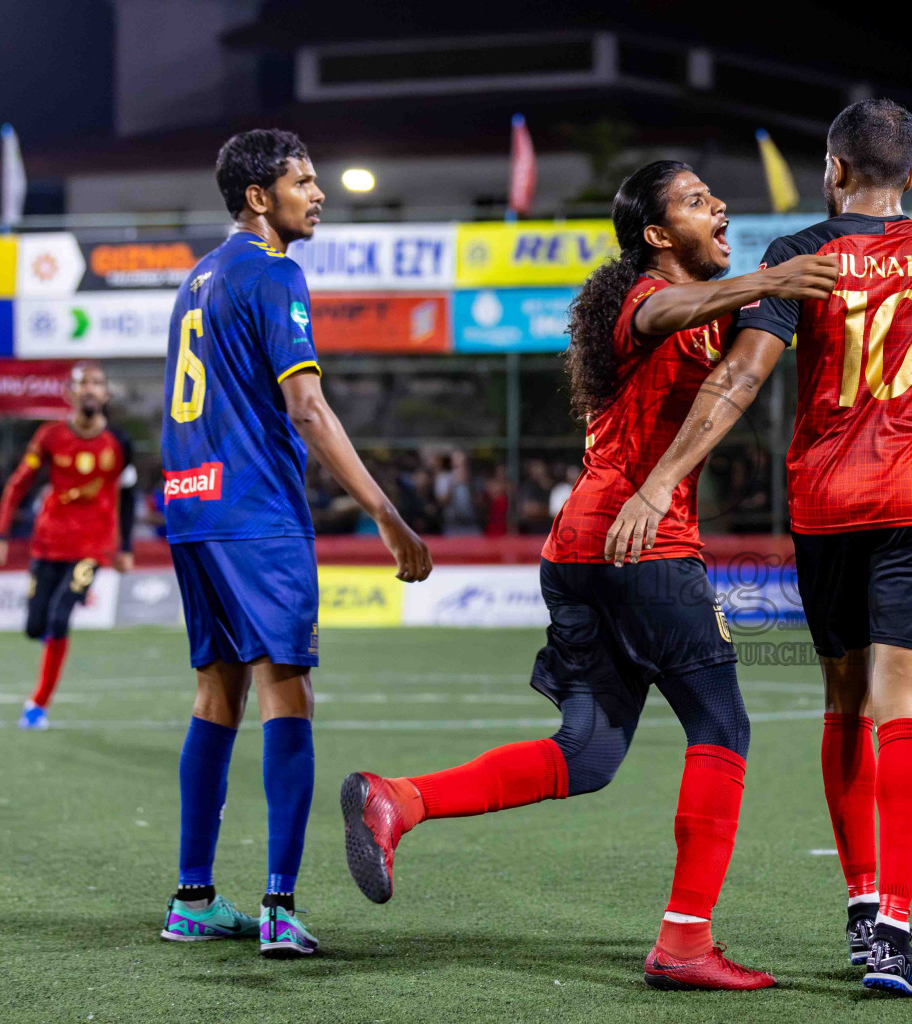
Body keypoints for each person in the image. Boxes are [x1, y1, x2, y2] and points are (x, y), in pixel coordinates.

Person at [339, 159, 841, 992]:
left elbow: (845, 259)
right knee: (723, 727)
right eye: (694, 201)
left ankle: (400, 799)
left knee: (588, 755)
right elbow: (682, 306)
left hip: (580, 551)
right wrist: (772, 275)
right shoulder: (647, 302)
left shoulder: (709, 303)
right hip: (638, 542)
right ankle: (684, 943)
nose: (718, 205)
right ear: (655, 237)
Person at [605, 99, 912, 997]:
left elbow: (739, 377)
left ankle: (858, 901)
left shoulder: (795, 256)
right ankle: (894, 936)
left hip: (827, 506)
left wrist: (661, 478)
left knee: (843, 704)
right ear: (910, 176)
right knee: (904, 709)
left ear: (833, 170)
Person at [158, 128, 431, 958]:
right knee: (289, 692)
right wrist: (386, 511)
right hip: (256, 514)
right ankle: (279, 908)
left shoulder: (198, 279)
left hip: (190, 506)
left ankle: (193, 899)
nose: (318, 195)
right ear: (257, 198)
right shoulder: (275, 273)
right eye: (303, 182)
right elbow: (307, 408)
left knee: (217, 695)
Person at [0, 362, 136, 729]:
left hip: (92, 546)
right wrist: (0, 534)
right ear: (69, 393)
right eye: (83, 383)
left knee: (59, 615)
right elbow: (18, 484)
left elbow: (128, 495)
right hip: (49, 541)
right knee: (36, 626)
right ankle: (49, 642)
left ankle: (37, 705)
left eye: (97, 383)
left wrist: (125, 546)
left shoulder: (119, 443)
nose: (90, 389)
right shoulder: (49, 436)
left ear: (106, 394)